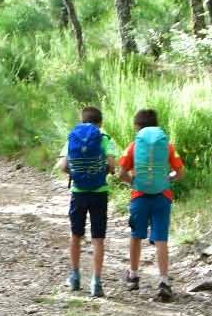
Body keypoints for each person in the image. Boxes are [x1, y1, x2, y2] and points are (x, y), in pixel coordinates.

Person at [117, 108, 185, 302]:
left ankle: (133, 275)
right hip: (163, 197)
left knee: (136, 236)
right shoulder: (168, 146)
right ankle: (164, 281)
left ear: (137, 126)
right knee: (161, 239)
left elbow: (121, 173)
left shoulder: (133, 146)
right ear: (156, 124)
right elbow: (180, 173)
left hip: (139, 197)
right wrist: (167, 178)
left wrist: (133, 182)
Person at [58, 106, 117, 297]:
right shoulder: (104, 137)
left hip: (79, 193)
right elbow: (112, 165)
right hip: (99, 193)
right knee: (98, 239)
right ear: (101, 122)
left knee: (76, 235)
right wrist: (101, 173)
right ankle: (96, 282)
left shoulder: (73, 136)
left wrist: (76, 175)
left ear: (82, 120)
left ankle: (75, 278)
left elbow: (63, 166)